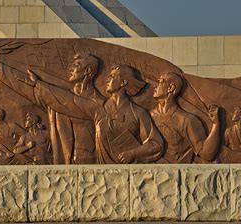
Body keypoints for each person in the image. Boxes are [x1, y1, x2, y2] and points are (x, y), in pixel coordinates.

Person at [17, 64, 164, 164]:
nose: (107, 79)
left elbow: (156, 143)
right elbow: (69, 101)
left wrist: (132, 153)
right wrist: (39, 84)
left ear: (123, 82)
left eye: (113, 77)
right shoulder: (99, 108)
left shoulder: (138, 112)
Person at [150, 72, 220, 163]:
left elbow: (206, 154)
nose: (155, 86)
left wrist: (216, 124)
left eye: (160, 82)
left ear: (171, 88)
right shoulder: (147, 117)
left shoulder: (186, 120)